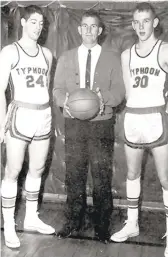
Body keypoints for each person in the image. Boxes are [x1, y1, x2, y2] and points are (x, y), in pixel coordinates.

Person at [53, 10, 125, 243]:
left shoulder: (113, 57)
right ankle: (73, 221)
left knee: (101, 176)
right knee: (74, 175)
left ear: (100, 30)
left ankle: (102, 225)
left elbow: (120, 92)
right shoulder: (66, 57)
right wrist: (66, 102)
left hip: (101, 124)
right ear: (79, 29)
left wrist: (102, 100)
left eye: (93, 26)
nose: (88, 31)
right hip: (74, 123)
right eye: (85, 26)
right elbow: (57, 90)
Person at [110, 2, 168, 257]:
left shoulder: (164, 50)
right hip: (133, 117)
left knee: (166, 179)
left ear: (155, 22)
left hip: (156, 116)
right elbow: (128, 91)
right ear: (132, 25)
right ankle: (132, 223)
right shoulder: (126, 55)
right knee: (132, 175)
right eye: (137, 22)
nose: (142, 26)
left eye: (146, 21)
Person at [0, 5, 55, 249]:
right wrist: (0, 124)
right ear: (22, 22)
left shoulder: (48, 55)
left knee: (38, 168)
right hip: (20, 114)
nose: (38, 27)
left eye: (41, 23)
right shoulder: (9, 52)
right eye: (33, 22)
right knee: (12, 171)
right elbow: (0, 90)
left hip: (43, 114)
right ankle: (10, 226)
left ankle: (31, 218)